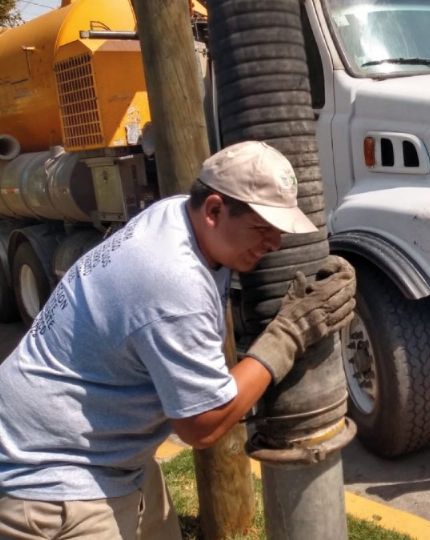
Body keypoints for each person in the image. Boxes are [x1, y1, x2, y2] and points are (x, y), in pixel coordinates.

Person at [0, 141, 355, 539]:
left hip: (107, 453)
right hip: (47, 475)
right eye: (262, 228)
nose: (273, 243)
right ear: (214, 210)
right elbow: (201, 426)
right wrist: (288, 336)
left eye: (278, 229)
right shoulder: (172, 281)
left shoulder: (175, 213)